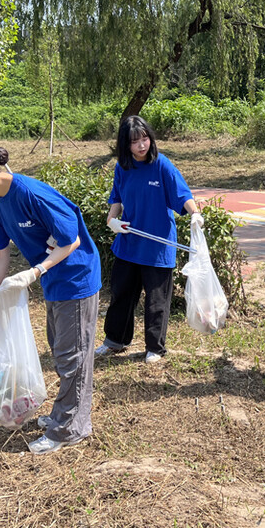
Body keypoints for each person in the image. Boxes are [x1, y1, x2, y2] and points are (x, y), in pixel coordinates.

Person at [0, 136, 101, 455]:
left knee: (74, 355)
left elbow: (70, 239)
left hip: (76, 276)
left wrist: (34, 272)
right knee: (61, 349)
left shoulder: (30, 193)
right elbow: (1, 254)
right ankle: (67, 414)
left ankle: (70, 427)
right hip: (53, 279)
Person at [96, 115, 202, 363]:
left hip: (158, 245)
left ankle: (155, 347)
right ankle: (115, 341)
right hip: (129, 242)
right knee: (121, 294)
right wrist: (112, 220)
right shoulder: (122, 168)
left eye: (145, 139)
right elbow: (116, 198)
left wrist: (195, 213)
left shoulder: (162, 165)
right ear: (126, 145)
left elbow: (182, 194)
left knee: (156, 300)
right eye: (135, 142)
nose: (142, 145)